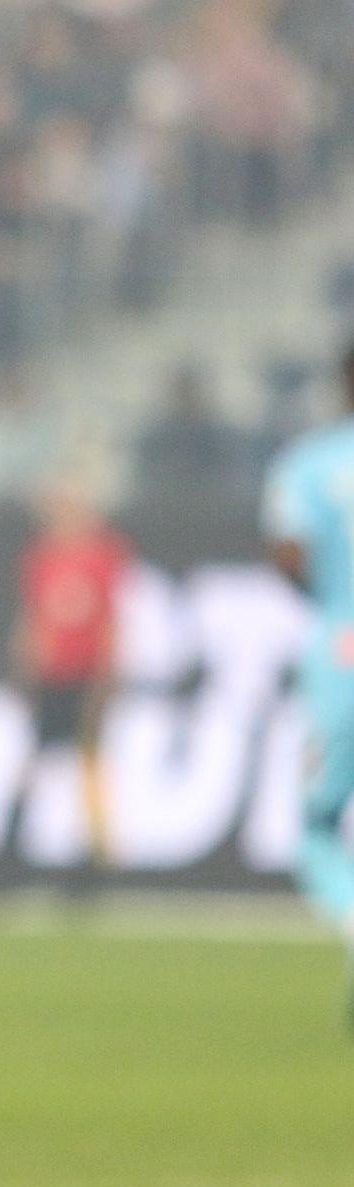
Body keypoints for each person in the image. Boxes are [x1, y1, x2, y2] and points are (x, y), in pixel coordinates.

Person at [263, 340, 354, 1005]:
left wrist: (328, 599)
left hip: (343, 647)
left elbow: (291, 553)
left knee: (317, 820)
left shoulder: (312, 461)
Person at [12, 476, 129, 882]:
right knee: (36, 757)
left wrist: (107, 673)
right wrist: (25, 664)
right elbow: (34, 618)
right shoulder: (41, 556)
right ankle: (13, 847)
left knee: (89, 761)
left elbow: (110, 618)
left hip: (86, 673)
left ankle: (95, 857)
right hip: (52, 674)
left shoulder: (103, 555)